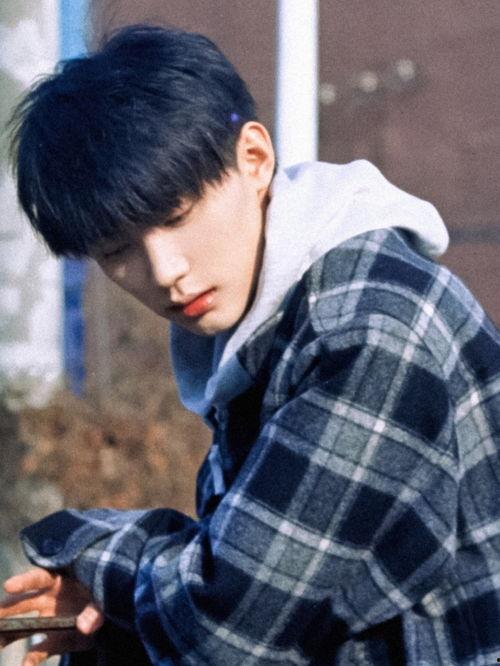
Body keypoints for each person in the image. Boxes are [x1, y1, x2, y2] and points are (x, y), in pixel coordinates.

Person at [1, 23, 500, 666]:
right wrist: (117, 611)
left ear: (254, 160)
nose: (166, 272)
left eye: (177, 216)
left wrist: (100, 558)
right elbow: (293, 600)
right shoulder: (269, 323)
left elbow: (229, 628)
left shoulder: (368, 332)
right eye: (117, 250)